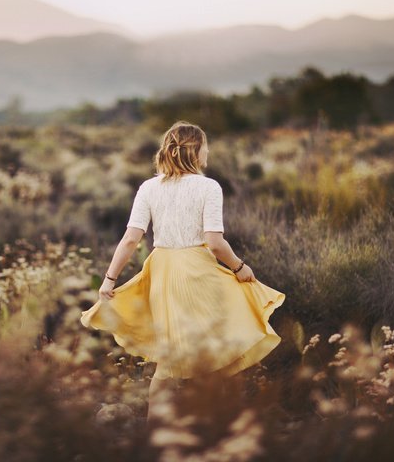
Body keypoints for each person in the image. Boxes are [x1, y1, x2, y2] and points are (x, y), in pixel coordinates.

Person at [79, 120, 286, 428]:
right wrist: (241, 268)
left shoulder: (149, 187)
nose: (209, 151)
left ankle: (155, 430)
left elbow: (131, 240)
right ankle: (215, 425)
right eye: (205, 145)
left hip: (162, 270)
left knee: (168, 357)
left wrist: (109, 280)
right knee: (216, 345)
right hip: (197, 272)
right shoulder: (208, 187)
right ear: (195, 150)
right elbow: (215, 243)